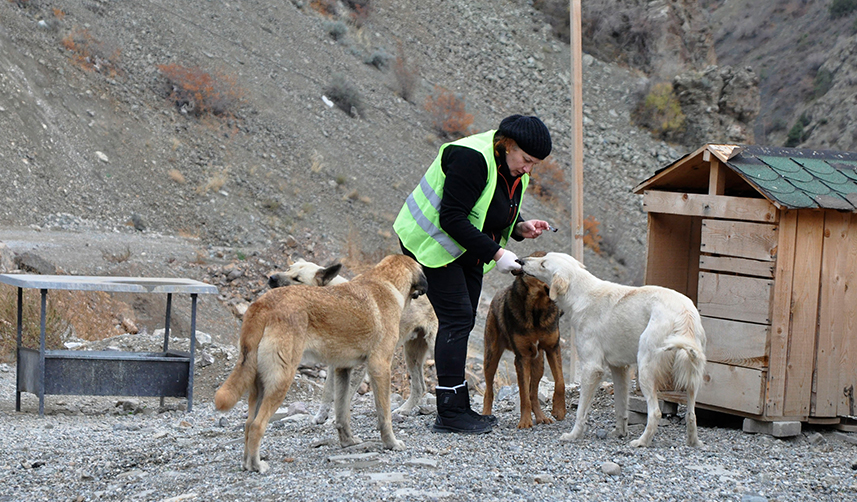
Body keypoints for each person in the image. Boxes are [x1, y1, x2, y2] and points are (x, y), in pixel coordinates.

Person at [393, 114, 553, 434]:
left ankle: (459, 405)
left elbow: (492, 204)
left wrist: (519, 227)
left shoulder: (511, 167)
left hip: (468, 249)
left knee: (463, 320)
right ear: (508, 145)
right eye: (526, 160)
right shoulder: (471, 158)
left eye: (535, 163)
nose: (528, 168)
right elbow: (452, 218)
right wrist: (498, 254)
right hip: (431, 243)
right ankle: (450, 413)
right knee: (457, 317)